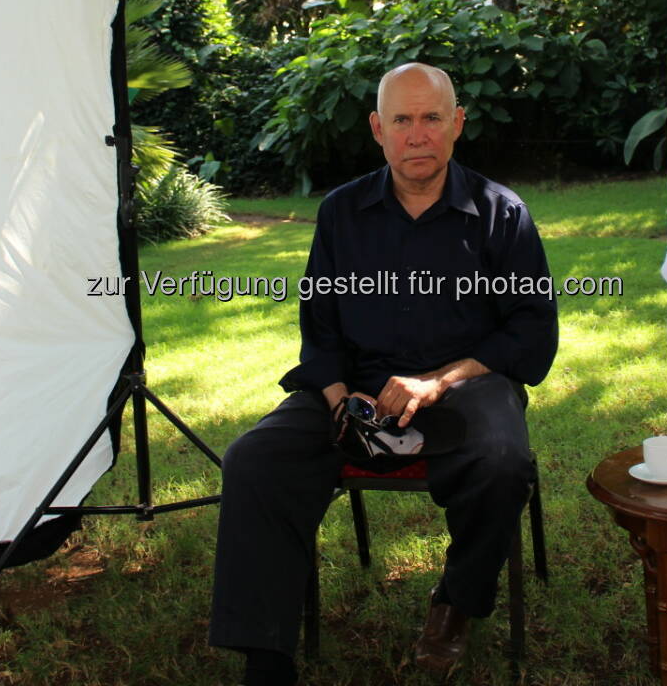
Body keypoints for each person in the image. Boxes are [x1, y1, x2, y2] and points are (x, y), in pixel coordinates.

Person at [209, 62, 558, 685]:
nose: (417, 135)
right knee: (255, 460)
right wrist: (344, 401)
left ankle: (455, 601)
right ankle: (266, 657)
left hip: (464, 385)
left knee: (502, 462)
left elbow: (530, 333)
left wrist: (439, 380)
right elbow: (319, 329)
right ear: (377, 128)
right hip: (359, 385)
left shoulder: (502, 214)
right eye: (402, 119)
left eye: (431, 118)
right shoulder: (341, 213)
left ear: (457, 124)